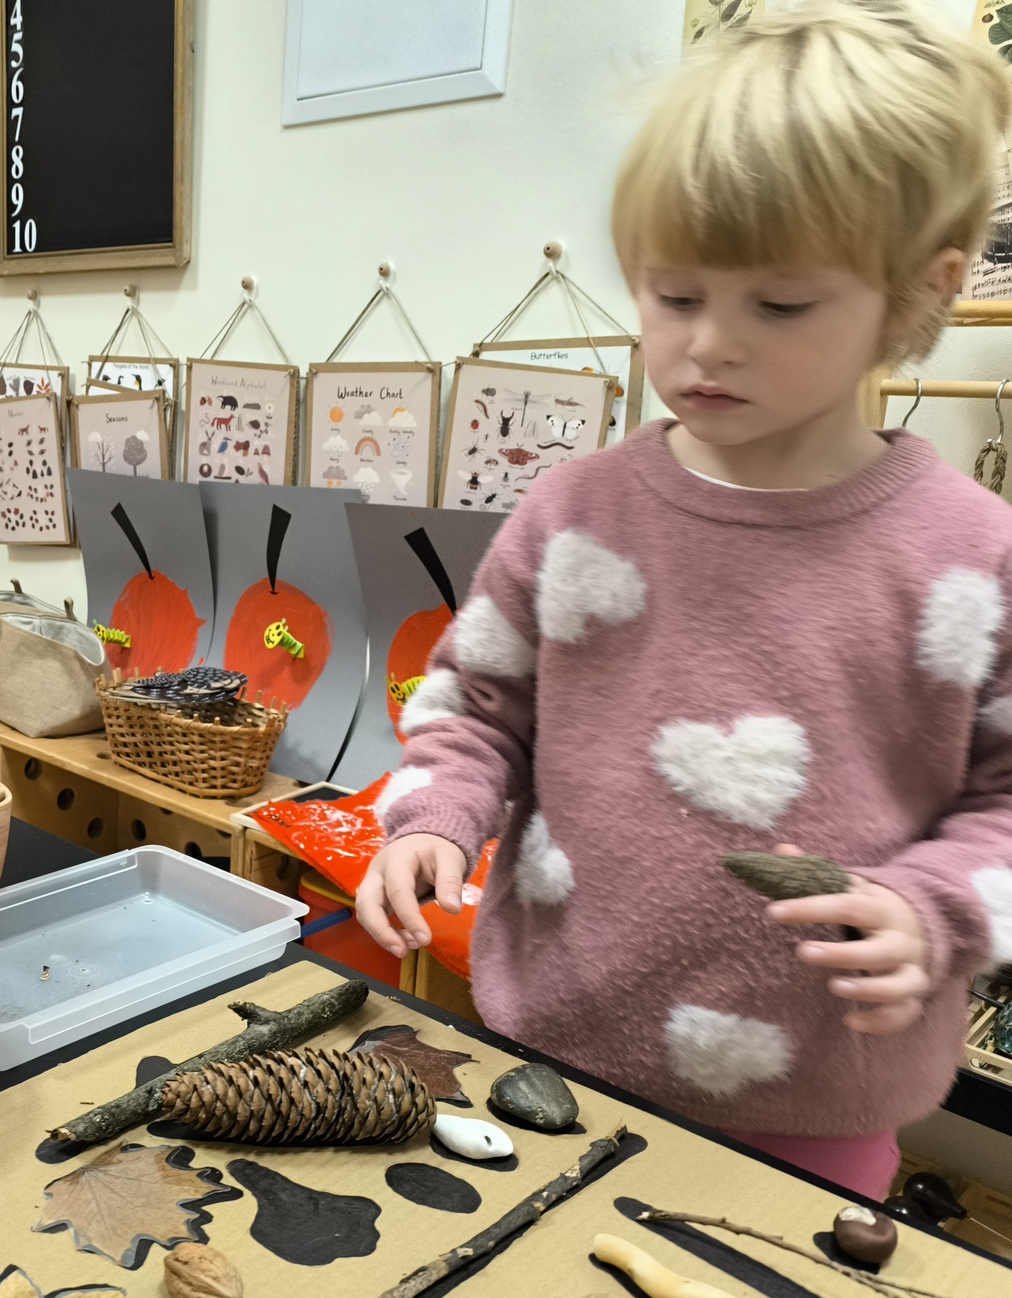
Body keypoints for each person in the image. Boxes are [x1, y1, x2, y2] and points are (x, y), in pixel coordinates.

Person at [354, 0, 1012, 1200]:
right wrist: (437, 817)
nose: (709, 344)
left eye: (780, 305)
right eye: (674, 295)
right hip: (551, 1054)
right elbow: (474, 709)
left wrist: (932, 911)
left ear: (919, 293)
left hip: (818, 1106)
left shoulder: (973, 554)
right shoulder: (576, 513)